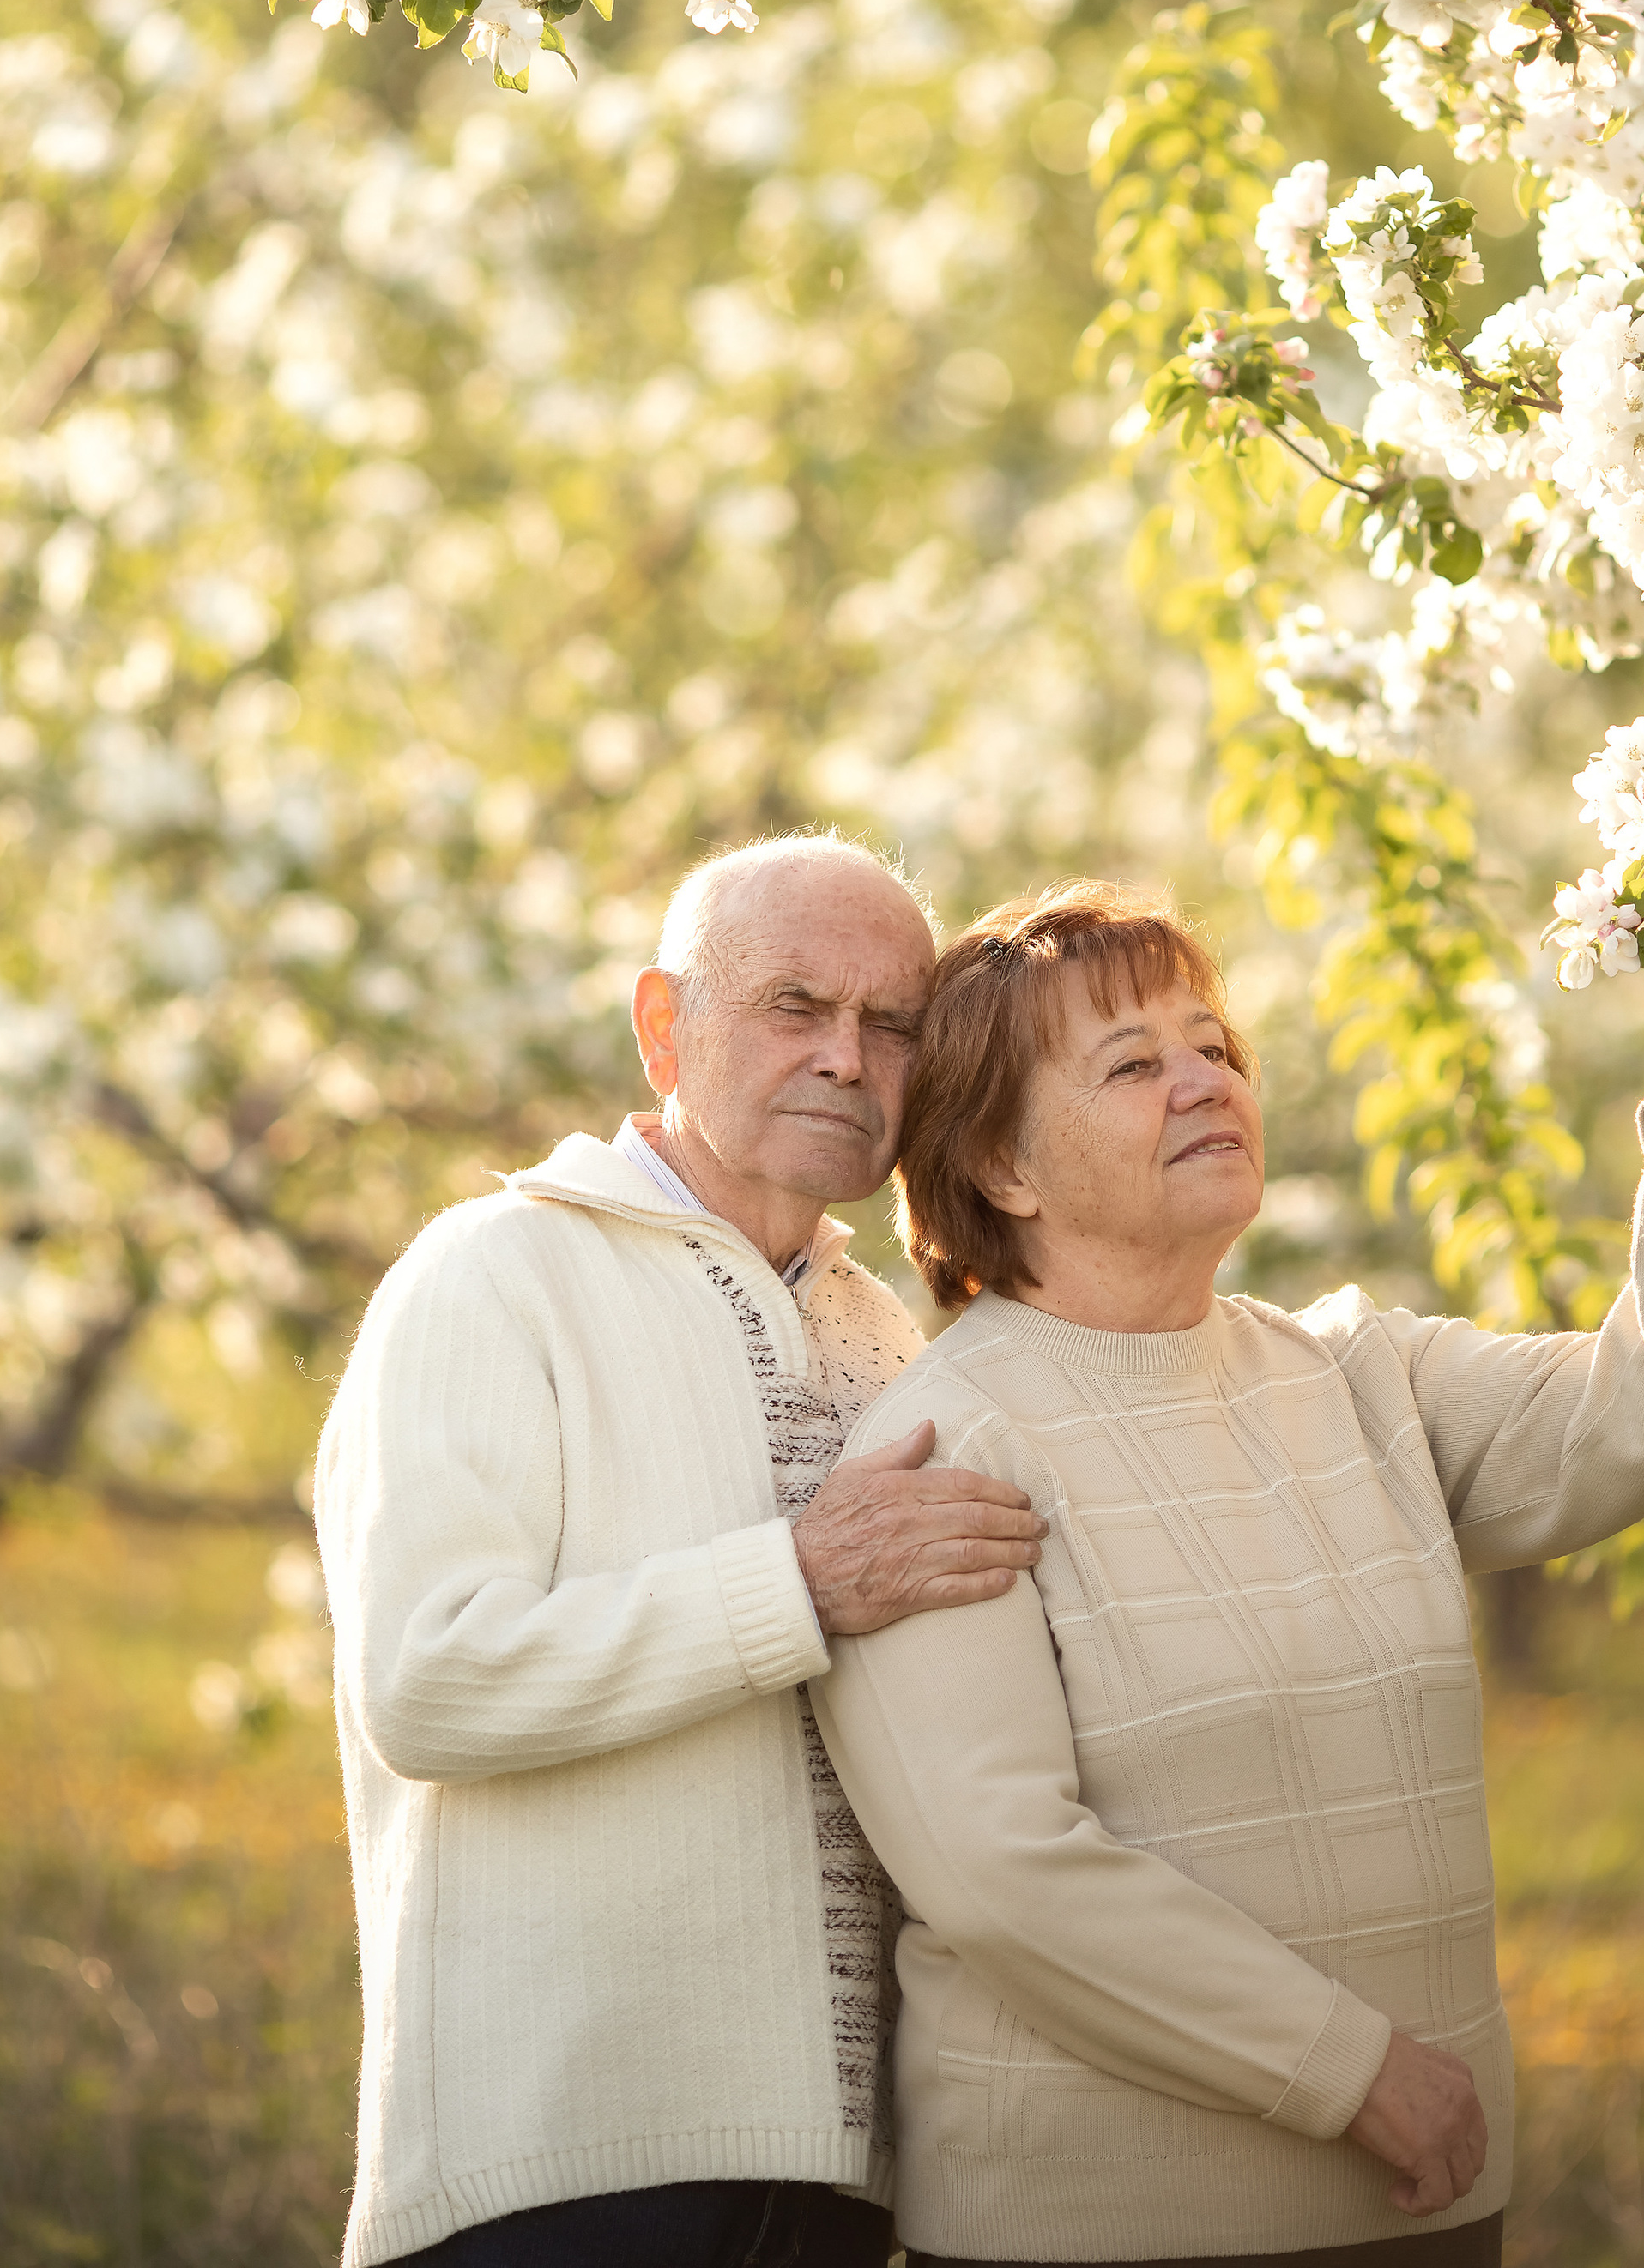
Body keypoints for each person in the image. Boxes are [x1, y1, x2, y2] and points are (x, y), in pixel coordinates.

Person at [813, 866, 1644, 2268]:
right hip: (1101, 2234)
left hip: (1430, 2208)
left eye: (1215, 1046)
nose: (1206, 1081)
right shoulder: (942, 1445)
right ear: (1002, 1168)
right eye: (1133, 1064)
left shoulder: (1356, 1373)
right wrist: (1356, 2075)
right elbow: (1004, 1872)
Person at [314, 831, 1046, 2268]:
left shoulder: (887, 1336)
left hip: (843, 2186)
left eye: (893, 1024)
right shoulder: (491, 1273)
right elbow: (426, 1681)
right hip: (562, 2176)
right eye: (794, 1005)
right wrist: (799, 1583)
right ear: (664, 1027)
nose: (846, 1057)